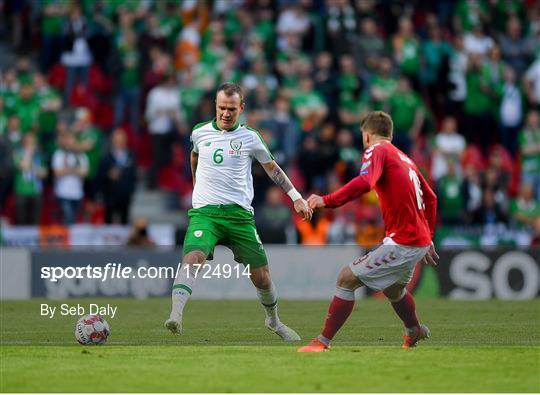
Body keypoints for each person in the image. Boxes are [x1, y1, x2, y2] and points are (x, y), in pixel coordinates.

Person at [165, 83, 312, 341]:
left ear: (241, 108)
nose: (225, 113)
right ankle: (175, 315)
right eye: (221, 107)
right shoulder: (199, 132)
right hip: (206, 213)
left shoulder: (250, 137)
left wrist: (296, 197)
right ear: (215, 105)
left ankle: (274, 322)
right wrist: (197, 187)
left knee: (262, 277)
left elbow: (272, 168)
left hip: (239, 216)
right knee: (193, 257)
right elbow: (194, 156)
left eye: (231, 109)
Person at [298, 111, 438, 352]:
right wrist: (429, 237)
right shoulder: (405, 158)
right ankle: (414, 330)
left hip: (404, 241)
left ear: (366, 135)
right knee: (394, 289)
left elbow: (365, 182)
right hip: (416, 239)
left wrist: (326, 200)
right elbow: (432, 198)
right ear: (391, 134)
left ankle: (322, 342)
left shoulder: (377, 150)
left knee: (346, 278)